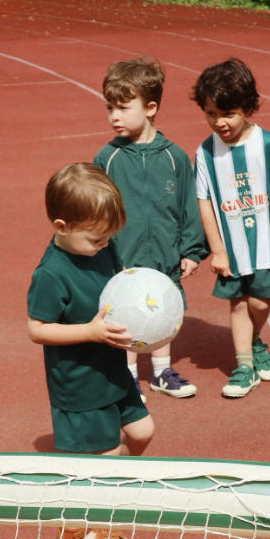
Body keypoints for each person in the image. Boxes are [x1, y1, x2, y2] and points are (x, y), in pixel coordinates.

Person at [27, 163, 154, 539]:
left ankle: (99, 492)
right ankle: (84, 530)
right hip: (81, 381)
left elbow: (117, 283)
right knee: (105, 458)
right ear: (62, 226)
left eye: (108, 237)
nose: (105, 245)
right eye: (96, 238)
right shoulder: (51, 274)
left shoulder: (103, 246)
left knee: (142, 432)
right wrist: (91, 331)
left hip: (112, 370)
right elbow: (38, 329)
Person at [94, 56, 206, 401]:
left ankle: (161, 373)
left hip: (164, 253)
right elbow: (97, 208)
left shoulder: (174, 156)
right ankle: (128, 377)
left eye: (123, 108)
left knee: (163, 309)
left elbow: (189, 206)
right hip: (121, 254)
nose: (114, 116)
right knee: (126, 312)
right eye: (110, 107)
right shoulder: (106, 158)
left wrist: (191, 250)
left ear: (151, 107)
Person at [192, 58, 270, 398]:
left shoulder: (268, 145)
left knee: (260, 303)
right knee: (238, 303)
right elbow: (205, 202)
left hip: (267, 244)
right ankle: (244, 365)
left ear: (247, 107)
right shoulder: (205, 153)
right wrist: (218, 249)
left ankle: (254, 341)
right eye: (211, 114)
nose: (220, 123)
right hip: (232, 249)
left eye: (229, 113)